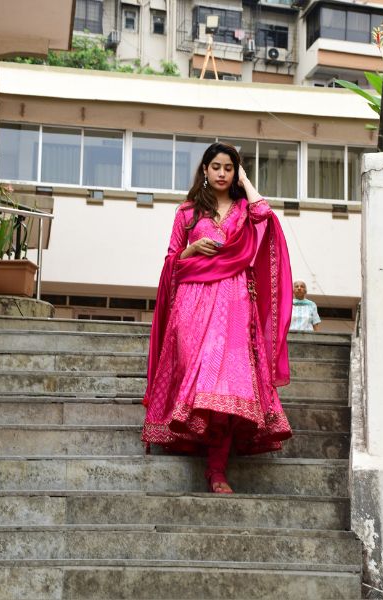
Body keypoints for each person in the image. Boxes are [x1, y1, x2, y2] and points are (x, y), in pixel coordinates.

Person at [142, 142, 293, 494]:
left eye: (229, 168)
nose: (222, 173)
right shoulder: (187, 212)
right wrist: (192, 249)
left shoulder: (244, 209)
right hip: (192, 302)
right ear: (205, 170)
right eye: (216, 167)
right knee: (198, 377)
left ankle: (217, 469)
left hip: (234, 300)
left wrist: (246, 180)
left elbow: (265, 214)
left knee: (226, 383)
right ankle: (200, 444)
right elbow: (171, 261)